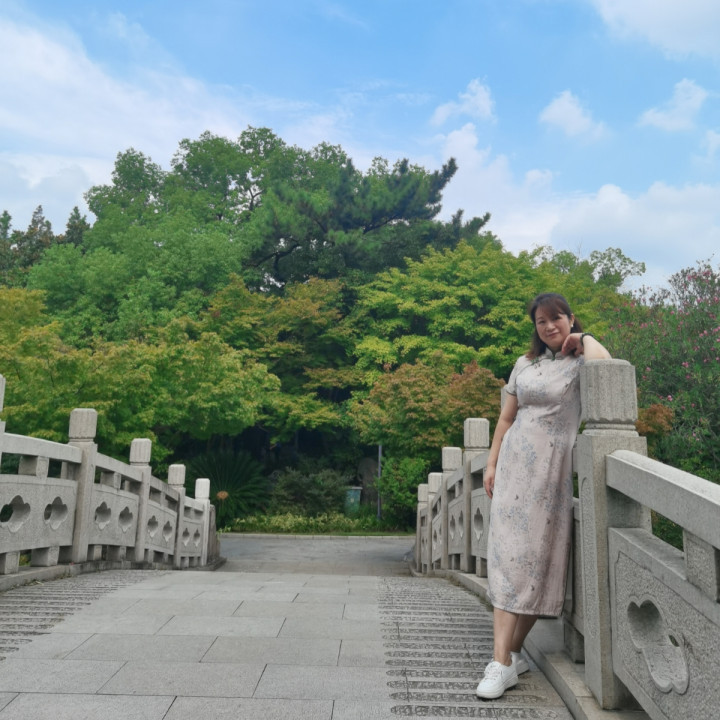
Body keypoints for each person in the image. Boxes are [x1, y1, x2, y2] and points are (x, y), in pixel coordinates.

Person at [476, 292, 611, 700]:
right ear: (534, 327)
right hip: (513, 470)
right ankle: (500, 661)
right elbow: (506, 418)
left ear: (570, 318)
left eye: (556, 318)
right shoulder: (525, 364)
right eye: (541, 321)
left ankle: (511, 655)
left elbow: (609, 368)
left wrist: (583, 338)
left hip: (550, 477)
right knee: (507, 557)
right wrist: (491, 463)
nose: (549, 326)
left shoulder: (581, 362)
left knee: (538, 564)